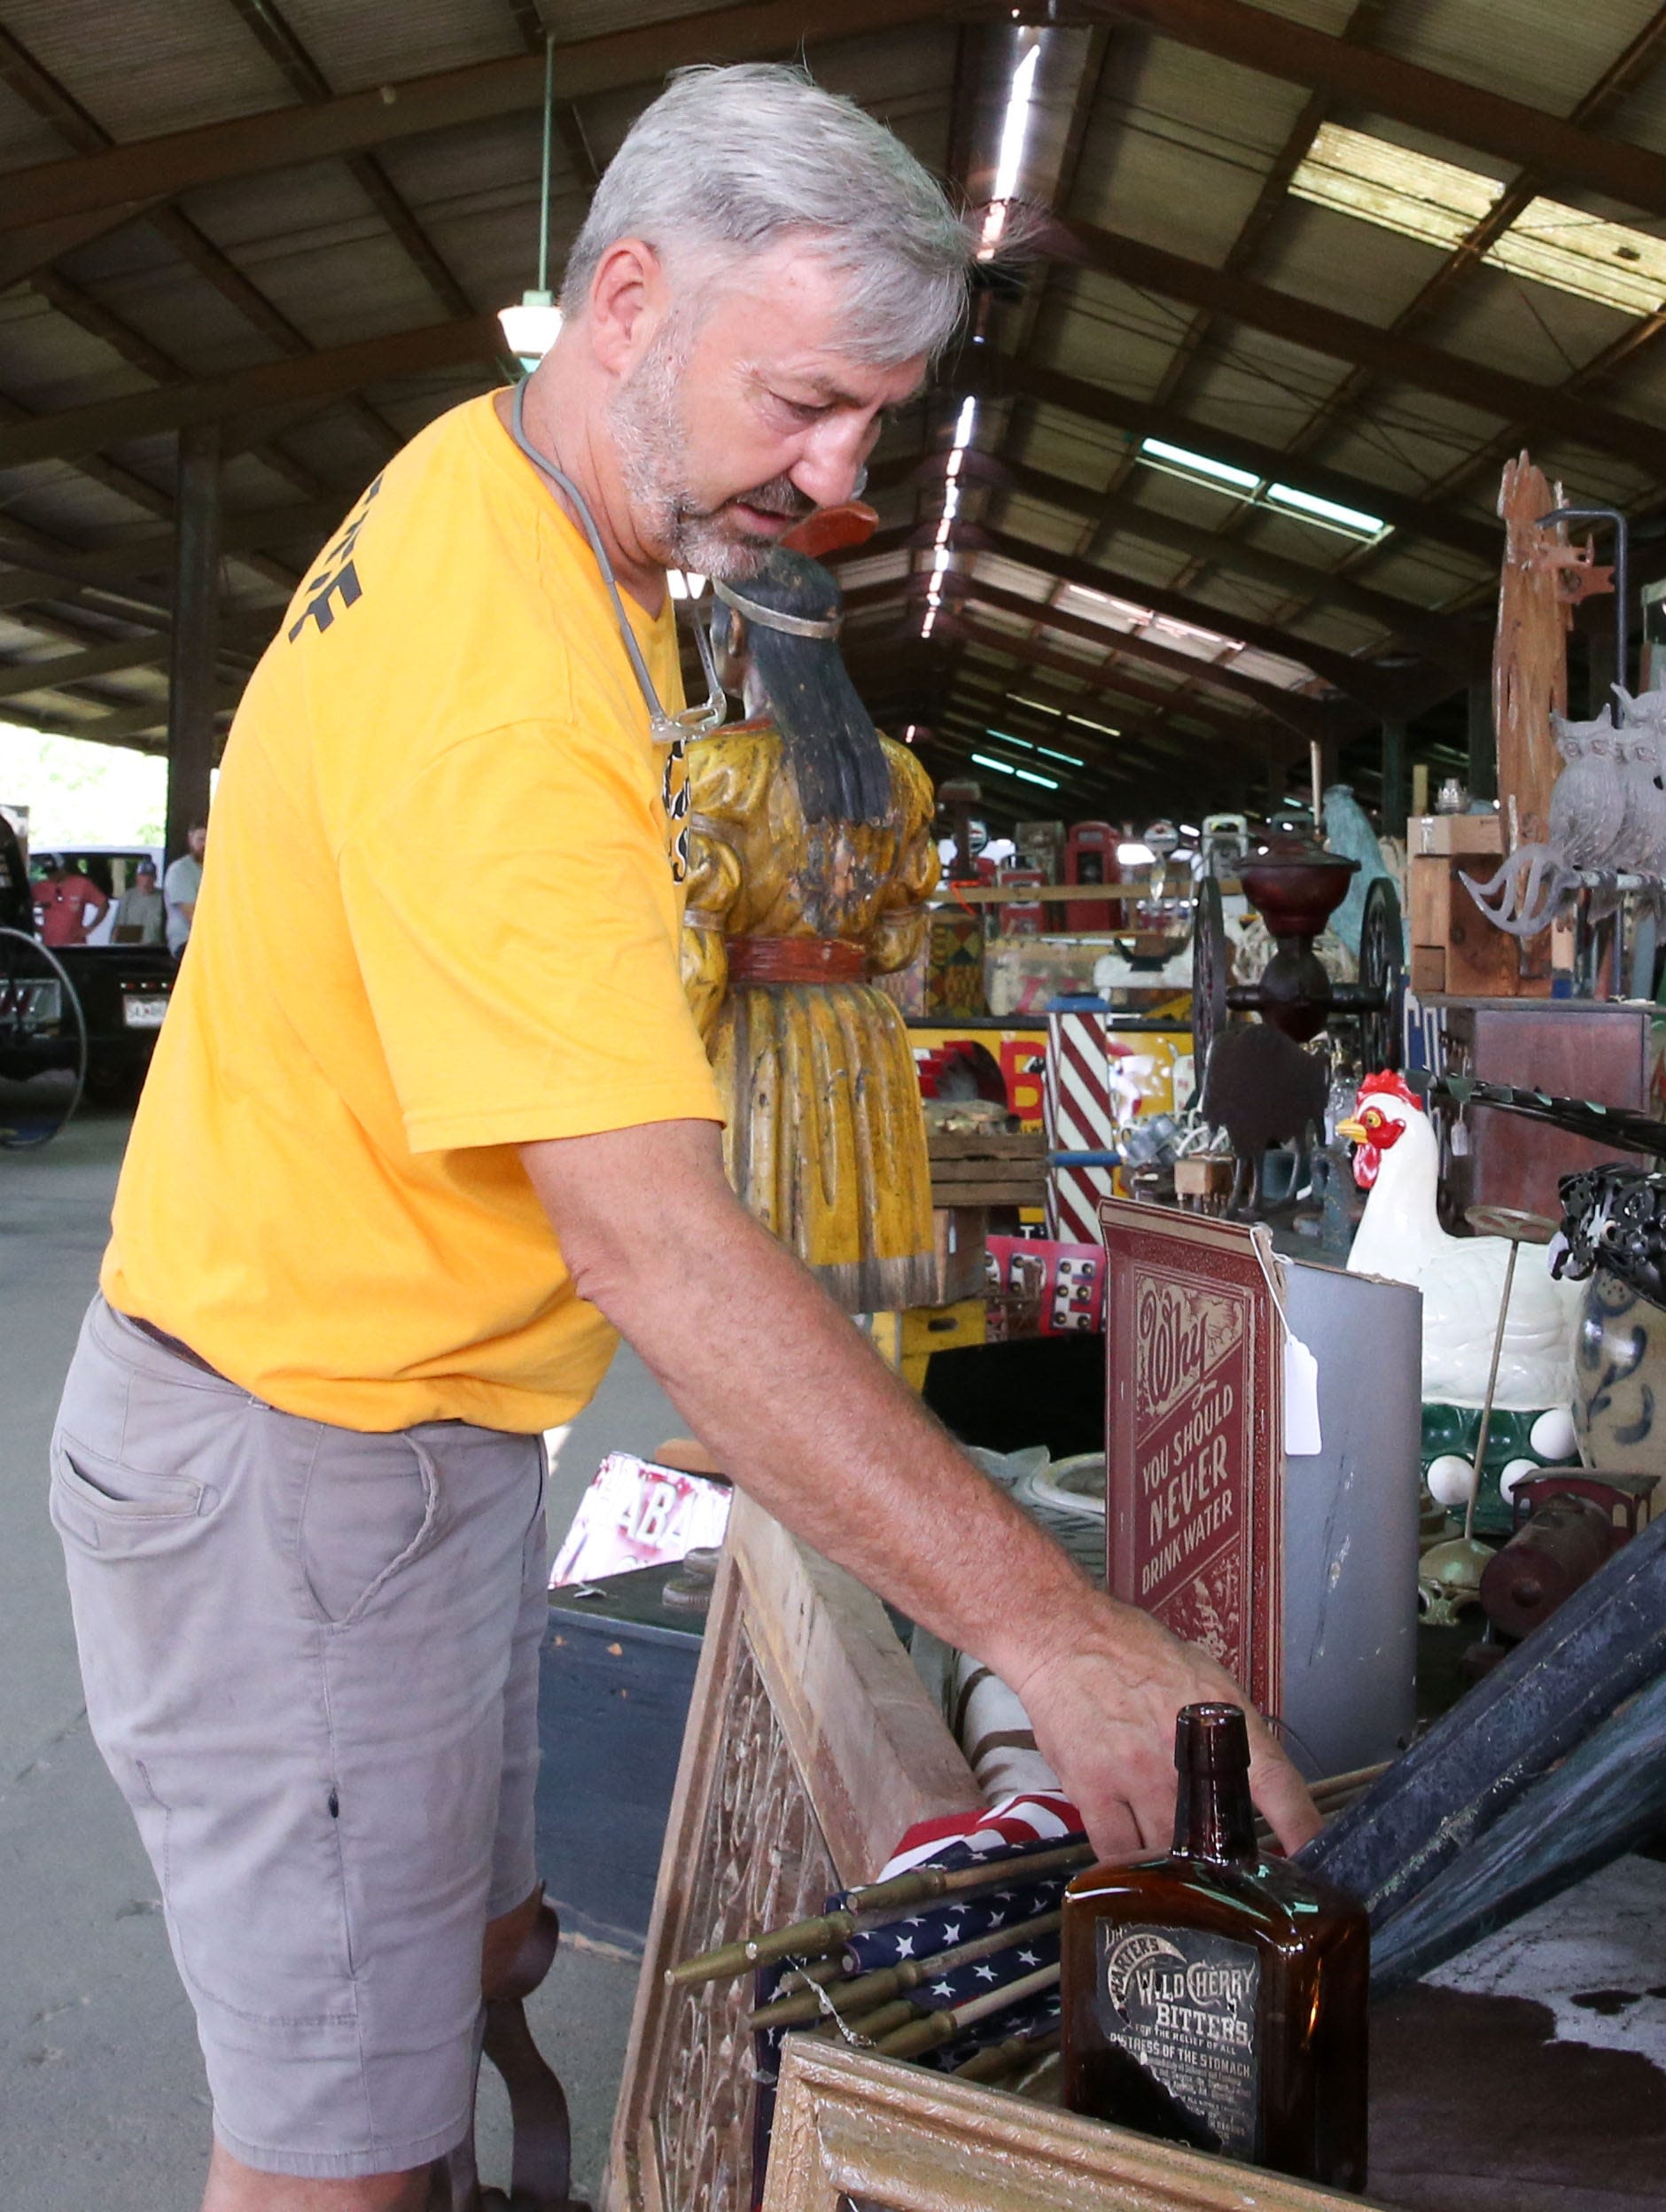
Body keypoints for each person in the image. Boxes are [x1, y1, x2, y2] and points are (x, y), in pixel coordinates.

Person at [52, 64, 1313, 2212]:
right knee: (338, 2156)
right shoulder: (505, 678)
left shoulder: (518, 498)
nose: (834, 481)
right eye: (802, 405)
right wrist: (1063, 1634)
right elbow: (647, 1232)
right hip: (300, 1459)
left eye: (872, 431)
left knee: (474, 1960)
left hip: (406, 1425)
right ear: (625, 296)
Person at [37, 855, 109, 946]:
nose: (51, 875)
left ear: (62, 868)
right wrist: (36, 927)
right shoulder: (39, 888)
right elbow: (24, 906)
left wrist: (91, 927)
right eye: (48, 872)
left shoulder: (82, 884)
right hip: (49, 946)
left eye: (54, 872)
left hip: (76, 946)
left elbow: (104, 904)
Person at [162, 820, 204, 951]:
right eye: (201, 839)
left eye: (210, 839)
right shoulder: (180, 870)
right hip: (188, 943)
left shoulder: (218, 869)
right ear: (190, 839)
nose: (206, 844)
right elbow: (191, 914)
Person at [111, 859, 166, 946]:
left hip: (155, 948)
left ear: (155, 878)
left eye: (150, 877)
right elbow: (118, 926)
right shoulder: (128, 897)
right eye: (143, 876)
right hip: (132, 948)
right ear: (137, 877)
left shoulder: (164, 897)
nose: (146, 880)